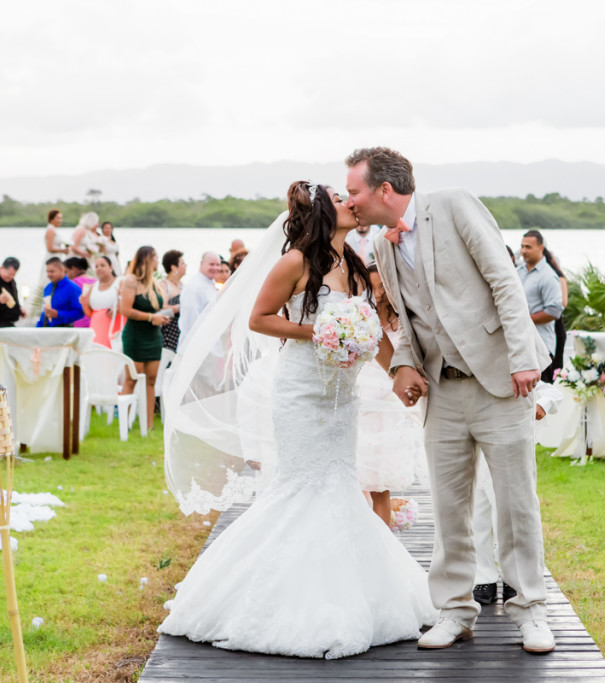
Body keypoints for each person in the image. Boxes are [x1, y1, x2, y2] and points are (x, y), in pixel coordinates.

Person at [159, 180, 435, 658]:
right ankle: (268, 600)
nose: (353, 202)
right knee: (304, 485)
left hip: (342, 398)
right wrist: (320, 331)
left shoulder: (351, 262)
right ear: (324, 213)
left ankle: (357, 593)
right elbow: (259, 318)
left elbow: (367, 330)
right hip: (301, 392)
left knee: (341, 484)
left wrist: (398, 372)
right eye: (342, 198)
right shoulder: (294, 263)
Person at [348, 147, 554, 654]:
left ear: (385, 191)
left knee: (515, 502)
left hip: (501, 383)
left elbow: (504, 281)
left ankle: (530, 608)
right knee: (448, 506)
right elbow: (401, 316)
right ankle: (456, 610)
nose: (350, 200)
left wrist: (524, 355)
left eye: (354, 191)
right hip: (442, 391)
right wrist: (401, 365)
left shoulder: (455, 205)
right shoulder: (381, 243)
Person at [473, 382, 561, 605]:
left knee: (509, 516)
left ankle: (514, 577)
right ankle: (484, 577)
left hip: (508, 452)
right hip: (476, 451)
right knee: (478, 517)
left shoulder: (514, 371)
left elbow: (551, 391)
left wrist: (542, 404)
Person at [357, 262, 425, 527]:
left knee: (379, 486)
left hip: (388, 410)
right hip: (361, 404)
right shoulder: (360, 319)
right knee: (353, 479)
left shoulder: (405, 323)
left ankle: (381, 548)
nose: (377, 293)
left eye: (382, 287)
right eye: (370, 286)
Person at [119, 246, 166, 430]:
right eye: (155, 257)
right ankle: (125, 423)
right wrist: (150, 317)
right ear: (147, 259)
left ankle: (148, 424)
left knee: (151, 380)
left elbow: (156, 308)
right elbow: (125, 310)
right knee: (131, 379)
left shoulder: (156, 282)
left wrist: (161, 316)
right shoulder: (131, 281)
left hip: (153, 335)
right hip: (135, 336)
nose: (158, 260)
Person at [517, 230, 563, 384]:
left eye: (528, 247)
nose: (523, 251)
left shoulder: (548, 276)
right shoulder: (518, 272)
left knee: (541, 400)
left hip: (541, 348)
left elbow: (554, 311)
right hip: (521, 347)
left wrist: (523, 321)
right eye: (522, 246)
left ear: (541, 248)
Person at [29, 209, 71, 323]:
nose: (60, 220)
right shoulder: (50, 230)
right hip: (51, 258)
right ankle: (39, 310)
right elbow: (50, 248)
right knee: (46, 281)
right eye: (58, 218)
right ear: (51, 219)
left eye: (61, 218)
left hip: (58, 258)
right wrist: (63, 250)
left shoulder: (54, 230)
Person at [177, 252, 220, 349]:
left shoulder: (211, 283)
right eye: (211, 264)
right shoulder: (194, 287)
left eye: (218, 264)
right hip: (194, 346)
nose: (216, 268)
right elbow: (190, 321)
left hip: (209, 343)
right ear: (201, 264)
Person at [81, 256, 122, 348]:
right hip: (96, 328)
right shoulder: (93, 286)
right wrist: (84, 303)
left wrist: (118, 309)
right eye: (96, 266)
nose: (99, 268)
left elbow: (128, 303)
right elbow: (89, 313)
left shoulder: (120, 282)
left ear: (111, 267)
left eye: (102, 265)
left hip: (115, 326)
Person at [37, 257, 83, 328]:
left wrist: (58, 314)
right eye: (47, 271)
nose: (49, 274)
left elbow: (79, 313)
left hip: (64, 331)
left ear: (62, 270)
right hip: (46, 331)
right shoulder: (48, 288)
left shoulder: (73, 288)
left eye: (52, 271)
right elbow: (45, 312)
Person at [0, 257, 24, 329]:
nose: (11, 277)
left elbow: (14, 298)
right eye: (9, 274)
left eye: (14, 275)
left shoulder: (11, 281)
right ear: (2, 268)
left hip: (9, 322)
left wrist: (19, 308)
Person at [160, 250, 185, 352]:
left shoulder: (183, 285)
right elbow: (162, 308)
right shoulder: (163, 285)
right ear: (174, 267)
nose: (185, 266)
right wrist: (179, 307)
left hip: (182, 331)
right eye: (182, 263)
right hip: (169, 333)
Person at [63, 257, 95, 328]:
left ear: (73, 269)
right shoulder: (96, 281)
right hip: (95, 321)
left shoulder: (73, 283)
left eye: (66, 272)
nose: (65, 276)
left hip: (80, 323)